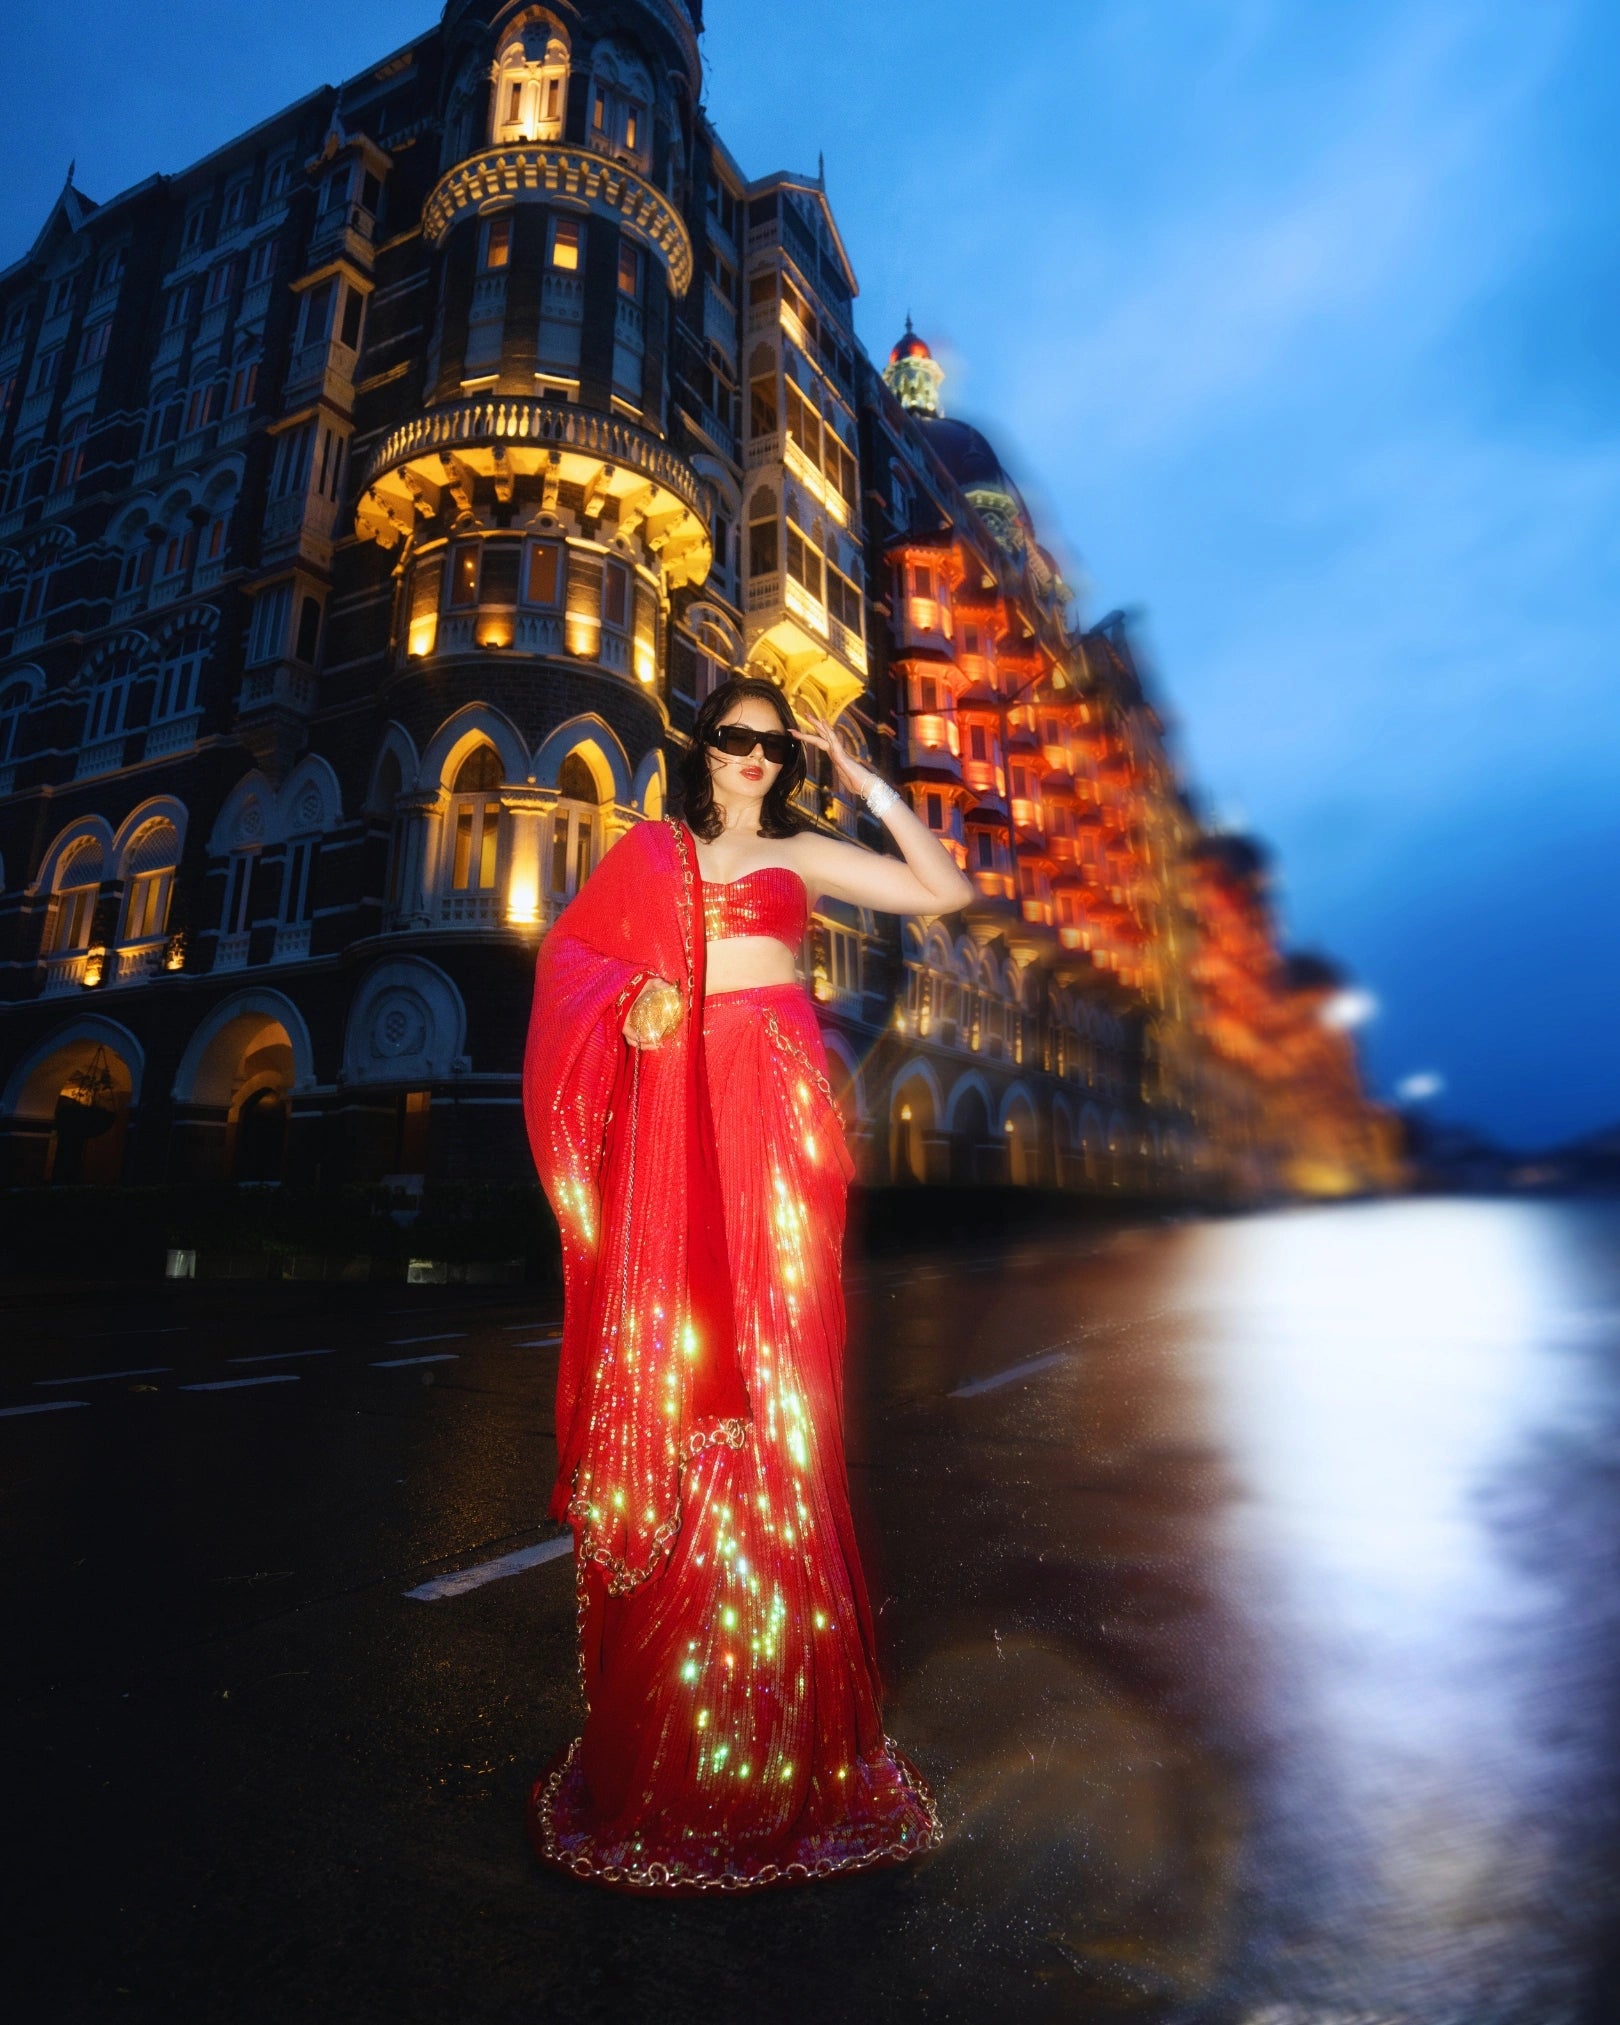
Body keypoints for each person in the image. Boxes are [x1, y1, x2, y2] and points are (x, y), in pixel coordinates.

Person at [521, 675, 974, 1893]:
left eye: (775, 746)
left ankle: (788, 1713)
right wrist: (637, 1003)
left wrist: (867, 775)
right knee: (685, 1374)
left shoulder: (807, 850)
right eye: (736, 739)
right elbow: (571, 965)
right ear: (701, 747)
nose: (756, 759)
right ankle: (685, 1702)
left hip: (775, 1113)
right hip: (679, 1116)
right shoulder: (651, 854)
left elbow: (945, 889)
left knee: (779, 1392)